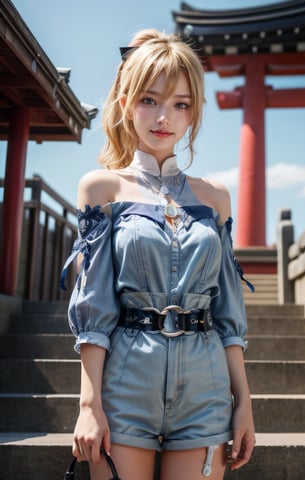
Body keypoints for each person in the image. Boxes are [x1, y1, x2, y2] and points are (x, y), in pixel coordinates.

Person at [61, 28, 255, 480]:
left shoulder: (216, 198)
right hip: (126, 385)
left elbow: (228, 308)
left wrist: (244, 402)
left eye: (180, 104)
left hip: (206, 391)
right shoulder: (101, 189)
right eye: (149, 100)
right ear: (127, 103)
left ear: (193, 114)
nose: (163, 116)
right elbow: (94, 305)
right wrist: (89, 405)